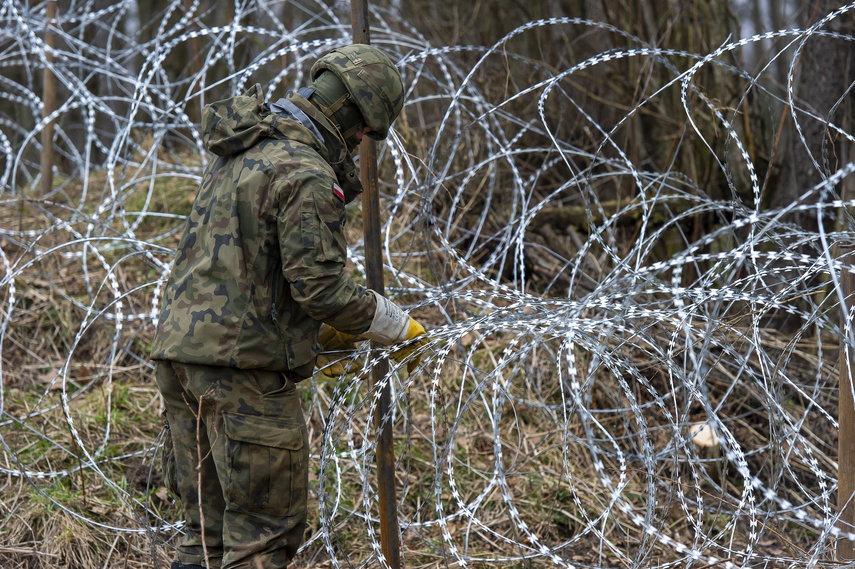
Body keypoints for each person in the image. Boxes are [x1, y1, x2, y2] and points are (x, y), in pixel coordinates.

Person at [150, 44, 427, 569]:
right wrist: (395, 325)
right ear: (348, 112)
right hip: (244, 377)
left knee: (203, 538)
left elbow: (246, 268)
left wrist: (310, 333)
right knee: (262, 539)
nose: (363, 140)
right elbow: (321, 287)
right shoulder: (305, 172)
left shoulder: (242, 147)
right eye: (366, 128)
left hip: (182, 360)